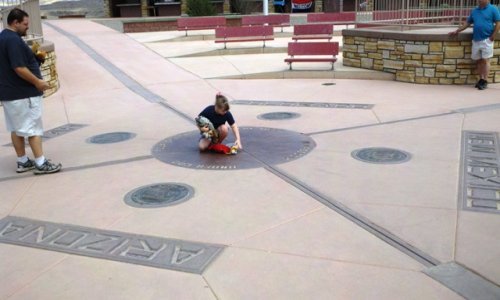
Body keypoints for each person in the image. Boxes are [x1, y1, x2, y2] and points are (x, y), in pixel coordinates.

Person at [0, 8, 62, 174]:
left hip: (9, 94)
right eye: (25, 24)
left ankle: (23, 161)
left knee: (16, 128)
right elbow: (18, 68)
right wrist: (38, 82)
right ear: (15, 22)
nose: (27, 27)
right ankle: (41, 163)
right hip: (23, 93)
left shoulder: (3, 38)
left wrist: (34, 59)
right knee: (33, 128)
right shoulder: (13, 40)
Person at [449, 0, 500, 90]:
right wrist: (457, 31)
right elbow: (468, 23)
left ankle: (485, 80)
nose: (479, 0)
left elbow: (498, 23)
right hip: (476, 40)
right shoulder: (475, 11)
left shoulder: (493, 9)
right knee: (478, 60)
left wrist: (492, 36)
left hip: (487, 39)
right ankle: (481, 79)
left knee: (485, 60)